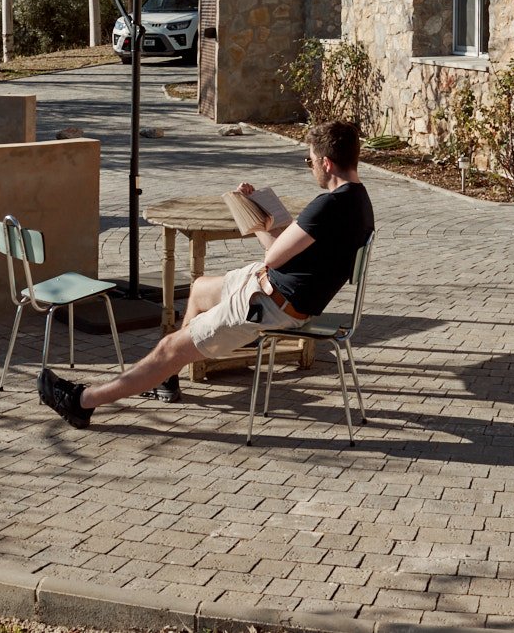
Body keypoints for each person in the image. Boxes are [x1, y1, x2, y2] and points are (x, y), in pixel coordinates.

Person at [39, 119, 375, 430]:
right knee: (198, 289)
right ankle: (165, 376)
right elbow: (301, 241)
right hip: (271, 289)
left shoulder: (329, 205)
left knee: (169, 347)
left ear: (327, 163)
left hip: (269, 305)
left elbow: (272, 255)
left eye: (310, 161)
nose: (311, 167)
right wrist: (261, 208)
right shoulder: (358, 201)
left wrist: (257, 223)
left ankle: (82, 402)